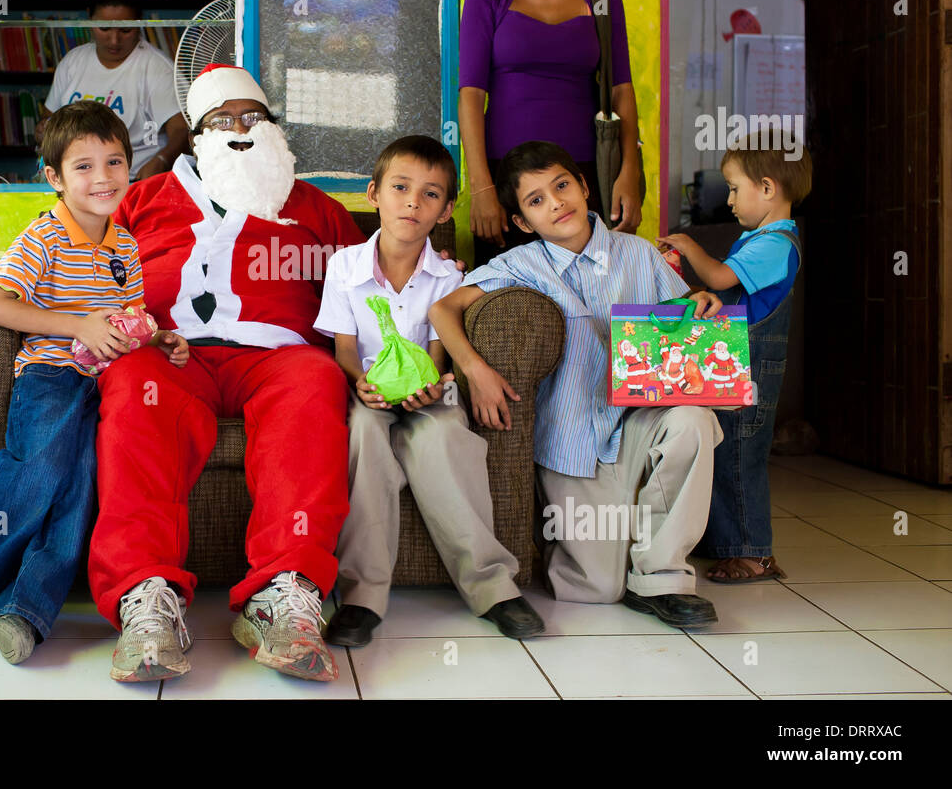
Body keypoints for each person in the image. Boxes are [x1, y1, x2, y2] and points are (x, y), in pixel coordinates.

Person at [87, 64, 369, 684]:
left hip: (278, 357)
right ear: (195, 134)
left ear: (273, 128)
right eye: (221, 120)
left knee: (316, 382)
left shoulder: (316, 210)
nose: (239, 130)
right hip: (169, 351)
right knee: (134, 385)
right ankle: (145, 596)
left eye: (252, 117)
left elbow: (365, 290)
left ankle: (285, 593)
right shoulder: (143, 197)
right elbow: (85, 268)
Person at [0, 101, 189, 663]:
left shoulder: (124, 244)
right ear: (54, 177)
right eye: (84, 167)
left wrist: (158, 336)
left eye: (115, 162)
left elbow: (128, 316)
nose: (103, 178)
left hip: (105, 382)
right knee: (40, 473)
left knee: (80, 488)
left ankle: (23, 609)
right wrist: (78, 325)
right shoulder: (43, 238)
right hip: (49, 376)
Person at [430, 141, 725, 629]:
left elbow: (684, 322)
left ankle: (663, 576)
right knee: (596, 587)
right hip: (572, 443)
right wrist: (476, 371)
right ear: (523, 222)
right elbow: (443, 308)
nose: (557, 203)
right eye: (537, 200)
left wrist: (701, 302)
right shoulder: (522, 264)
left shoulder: (639, 254)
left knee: (694, 422)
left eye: (562, 186)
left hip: (640, 422)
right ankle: (613, 551)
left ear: (584, 186)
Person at [315, 136, 544, 648]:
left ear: (447, 209)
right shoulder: (344, 267)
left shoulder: (447, 275)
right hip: (367, 391)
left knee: (445, 439)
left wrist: (427, 387)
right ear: (374, 194)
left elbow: (437, 355)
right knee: (364, 441)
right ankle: (362, 596)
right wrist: (361, 385)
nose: (413, 202)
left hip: (427, 392)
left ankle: (492, 586)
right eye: (401, 188)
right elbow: (346, 350)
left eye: (431, 194)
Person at [459, 0, 642, 264]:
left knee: (594, 306)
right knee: (509, 317)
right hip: (508, 185)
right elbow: (470, 94)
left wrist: (627, 171)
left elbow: (621, 89)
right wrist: (482, 187)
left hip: (585, 181)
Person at [658, 133, 812, 584]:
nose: (728, 200)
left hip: (755, 367)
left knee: (741, 454)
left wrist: (689, 248)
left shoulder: (775, 244)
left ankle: (753, 552)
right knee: (724, 448)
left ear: (767, 188)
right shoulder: (759, 237)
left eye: (733, 187)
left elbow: (720, 275)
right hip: (736, 362)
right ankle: (724, 541)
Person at [36, 0, 189, 181]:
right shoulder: (73, 62)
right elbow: (48, 119)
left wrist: (161, 160)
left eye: (126, 30)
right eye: (104, 28)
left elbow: (182, 130)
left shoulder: (158, 69)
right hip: (76, 181)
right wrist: (44, 131)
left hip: (133, 181)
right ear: (89, 17)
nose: (114, 40)